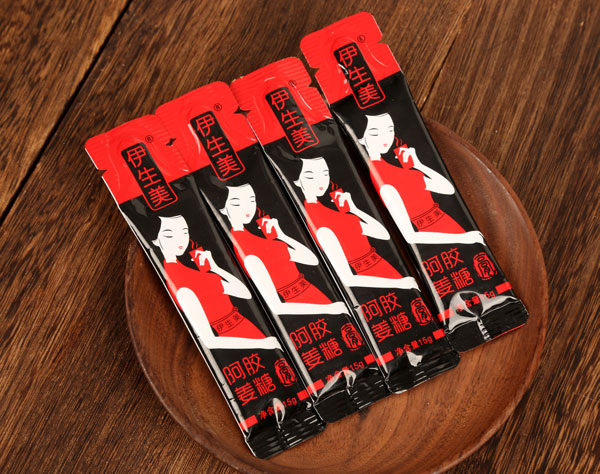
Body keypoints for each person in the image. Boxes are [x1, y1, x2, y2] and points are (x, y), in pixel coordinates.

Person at [150, 213, 280, 350]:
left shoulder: (195, 274)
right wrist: (263, 344)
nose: (180, 240)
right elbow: (210, 341)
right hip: (240, 346)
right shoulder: (180, 284)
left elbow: (244, 293)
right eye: (169, 235)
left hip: (251, 332)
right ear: (156, 241)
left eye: (184, 232)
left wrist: (215, 268)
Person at [355, 112, 484, 245]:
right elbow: (410, 236)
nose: (385, 138)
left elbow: (448, 189)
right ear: (361, 139)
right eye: (375, 133)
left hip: (451, 227)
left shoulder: (395, 170)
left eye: (390, 130)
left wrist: (419, 165)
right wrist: (463, 238)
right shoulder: (382, 178)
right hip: (437, 240)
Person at [219, 183, 348, 316]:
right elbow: (278, 308)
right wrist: (329, 309)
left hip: (319, 299)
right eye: (236, 204)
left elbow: (311, 260)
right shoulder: (246, 250)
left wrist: (282, 236)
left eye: (251, 201)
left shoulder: (262, 241)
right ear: (224, 209)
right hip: (304, 312)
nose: (247, 208)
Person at [293, 156, 417, 292]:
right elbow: (348, 279)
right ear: (297, 181)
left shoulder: (333, 214)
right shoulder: (317, 221)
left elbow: (383, 234)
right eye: (310, 177)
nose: (320, 181)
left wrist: (354, 210)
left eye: (325, 174)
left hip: (388, 271)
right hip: (374, 286)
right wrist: (399, 283)